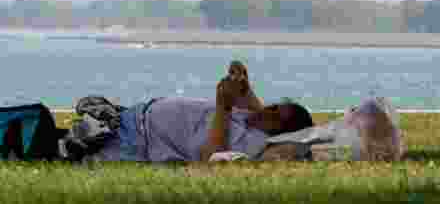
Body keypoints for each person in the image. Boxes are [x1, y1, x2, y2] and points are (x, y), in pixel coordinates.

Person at [90, 60, 315, 163]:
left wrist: (223, 106)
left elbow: (211, 157)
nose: (268, 110)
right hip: (136, 117)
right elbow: (260, 111)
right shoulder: (253, 119)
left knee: (67, 152)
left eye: (276, 115)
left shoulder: (252, 142)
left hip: (139, 139)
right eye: (274, 106)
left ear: (280, 133)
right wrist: (244, 87)